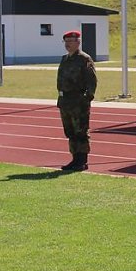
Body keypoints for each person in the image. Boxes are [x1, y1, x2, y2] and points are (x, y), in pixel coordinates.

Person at [57, 30, 97, 171]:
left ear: (78, 42)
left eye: (71, 41)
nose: (68, 44)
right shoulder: (65, 59)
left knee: (81, 131)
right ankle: (74, 159)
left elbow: (91, 81)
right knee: (70, 132)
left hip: (78, 102)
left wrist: (86, 99)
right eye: (66, 41)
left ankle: (82, 161)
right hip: (65, 101)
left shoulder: (84, 59)